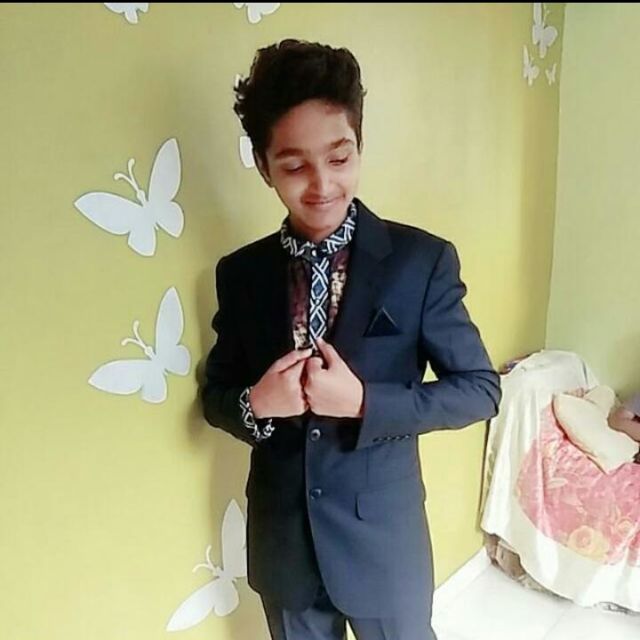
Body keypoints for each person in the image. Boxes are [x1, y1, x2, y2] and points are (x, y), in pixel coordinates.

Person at [199, 38, 501, 640]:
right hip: (284, 547)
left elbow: (480, 390)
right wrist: (256, 404)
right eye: (294, 166)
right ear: (263, 165)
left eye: (339, 158)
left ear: (359, 145)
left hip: (383, 544)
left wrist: (365, 402)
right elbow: (217, 395)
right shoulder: (241, 273)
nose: (321, 184)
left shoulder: (421, 261)